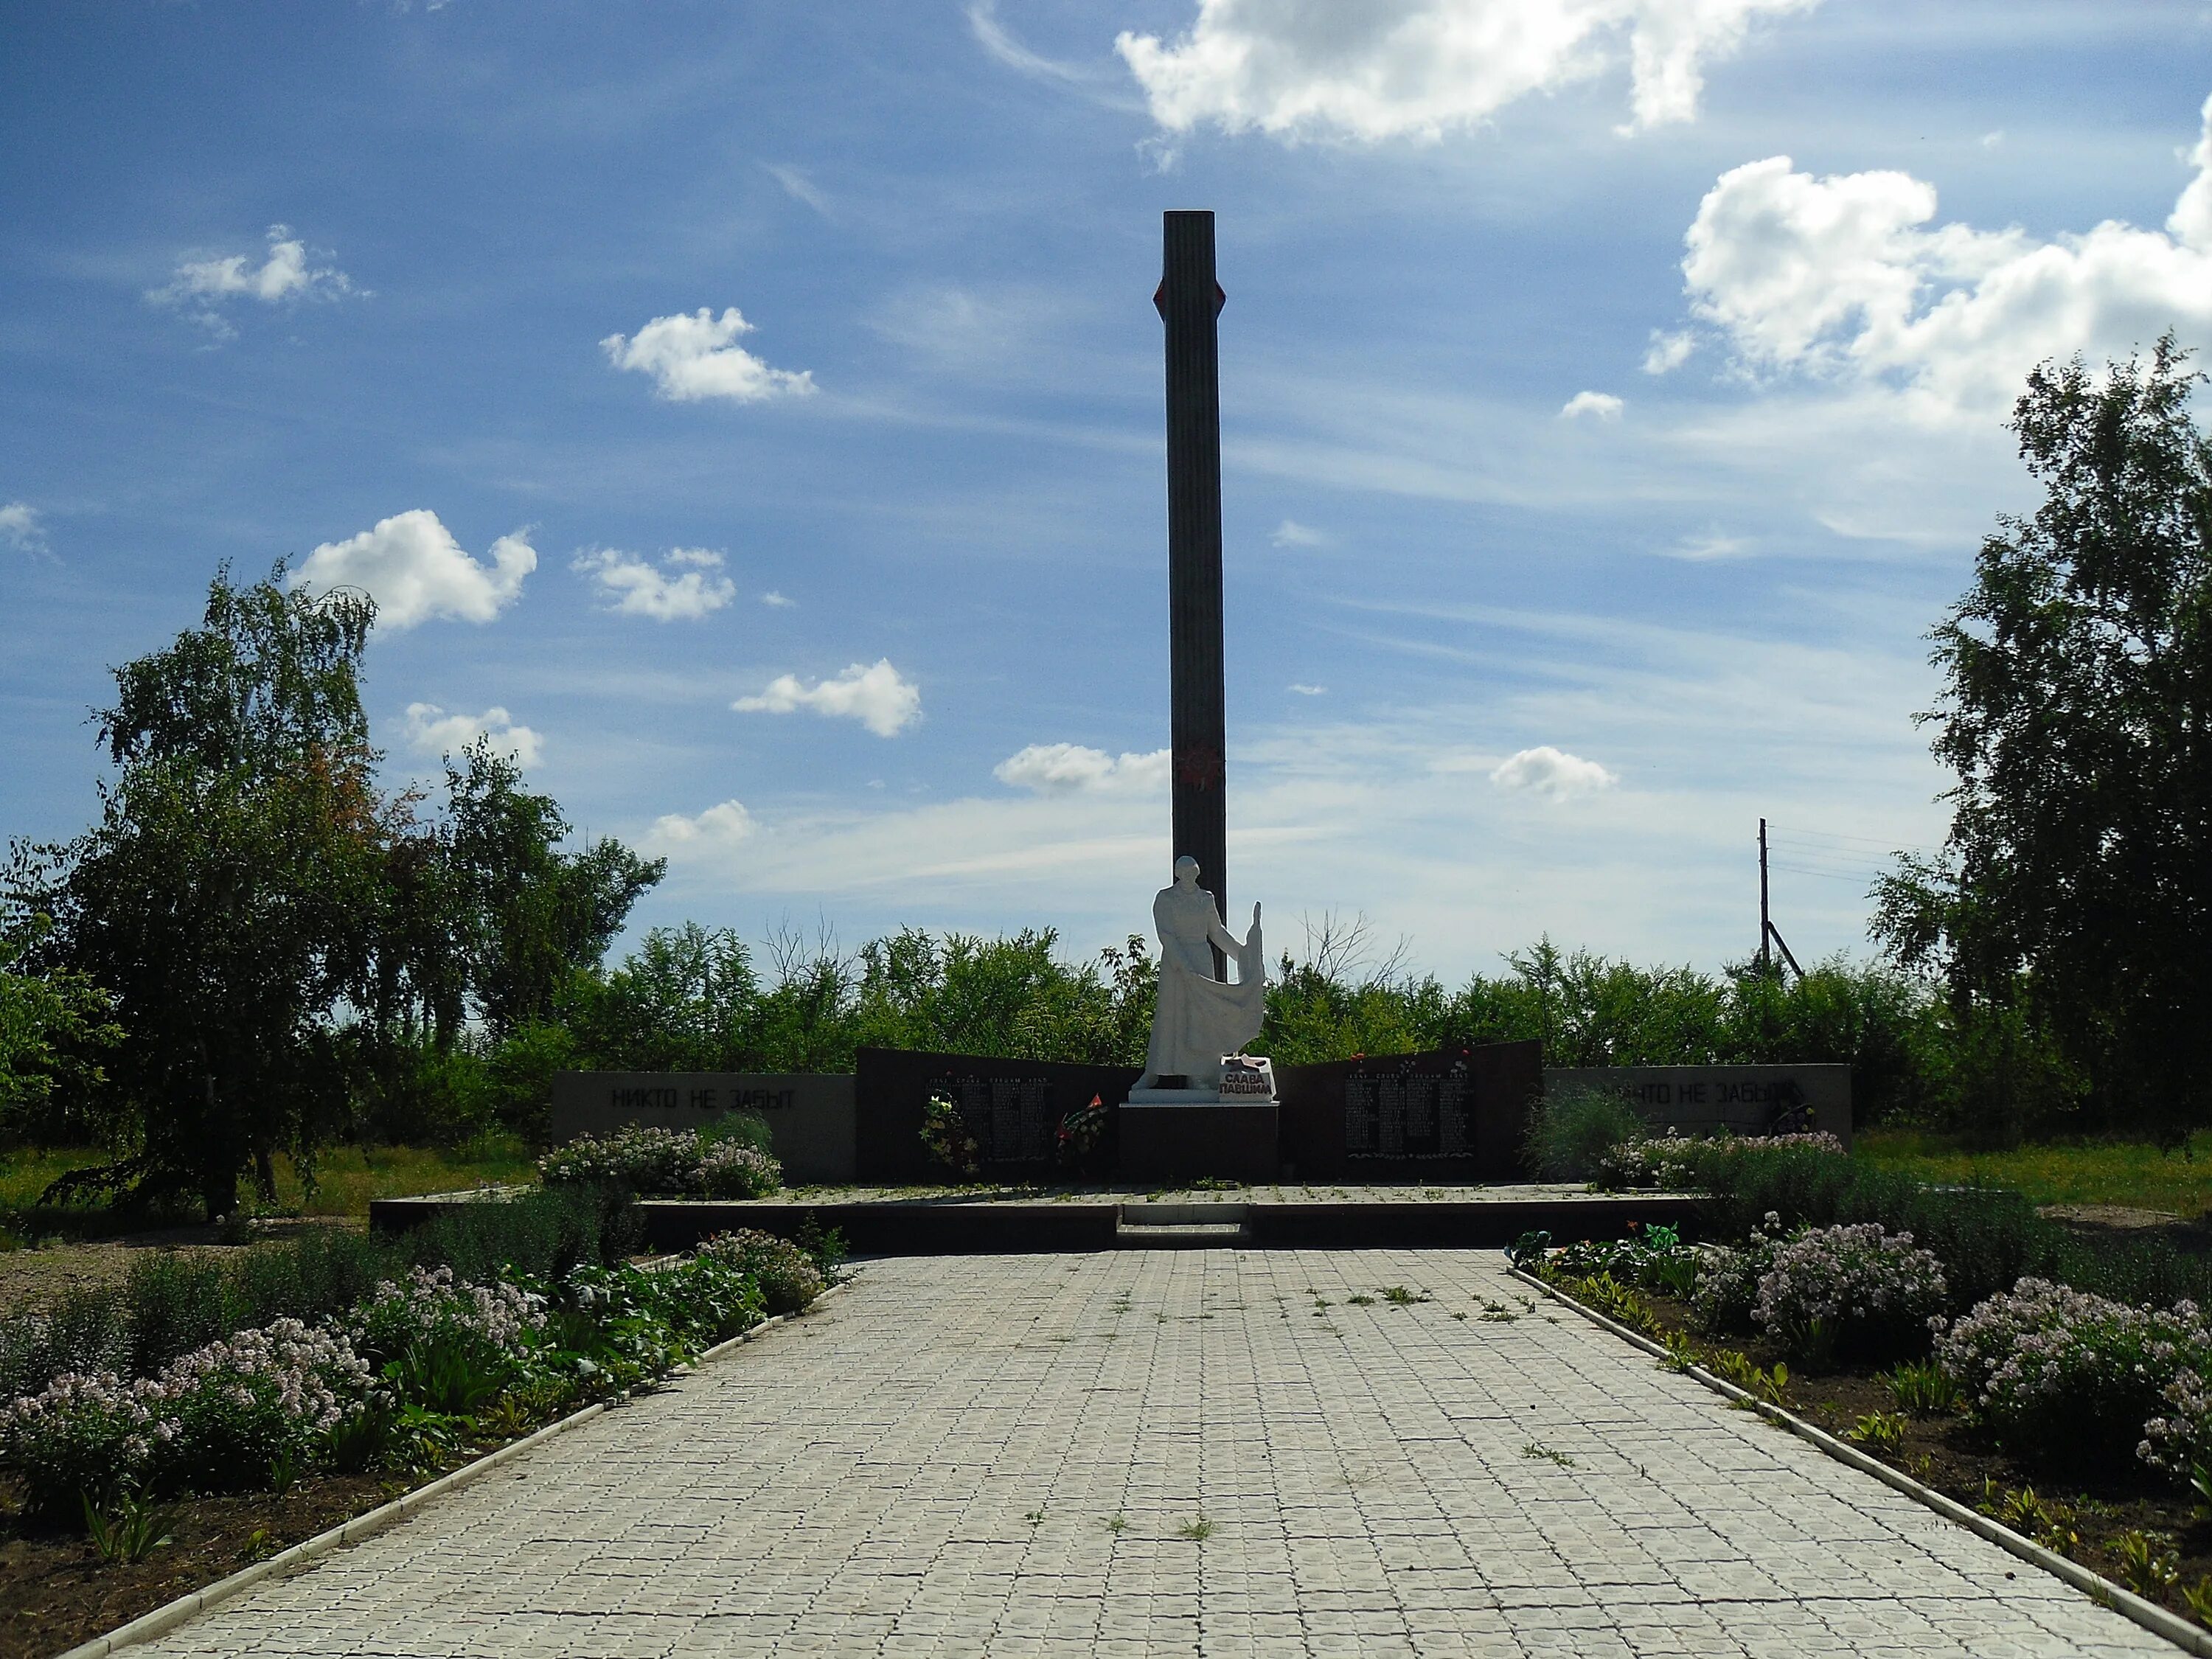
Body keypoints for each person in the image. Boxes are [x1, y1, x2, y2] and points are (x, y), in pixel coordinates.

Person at [1135, 855, 1265, 1091]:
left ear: (1197, 873)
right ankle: (1153, 1072)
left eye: (1192, 872)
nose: (1188, 877)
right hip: (1176, 964)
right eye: (1183, 873)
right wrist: (1185, 967)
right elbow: (1166, 935)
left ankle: (1198, 1074)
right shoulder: (1165, 898)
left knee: (1201, 1020)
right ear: (1177, 874)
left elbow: (1217, 932)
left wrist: (1242, 954)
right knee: (1170, 1018)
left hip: (1202, 959)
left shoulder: (1206, 899)